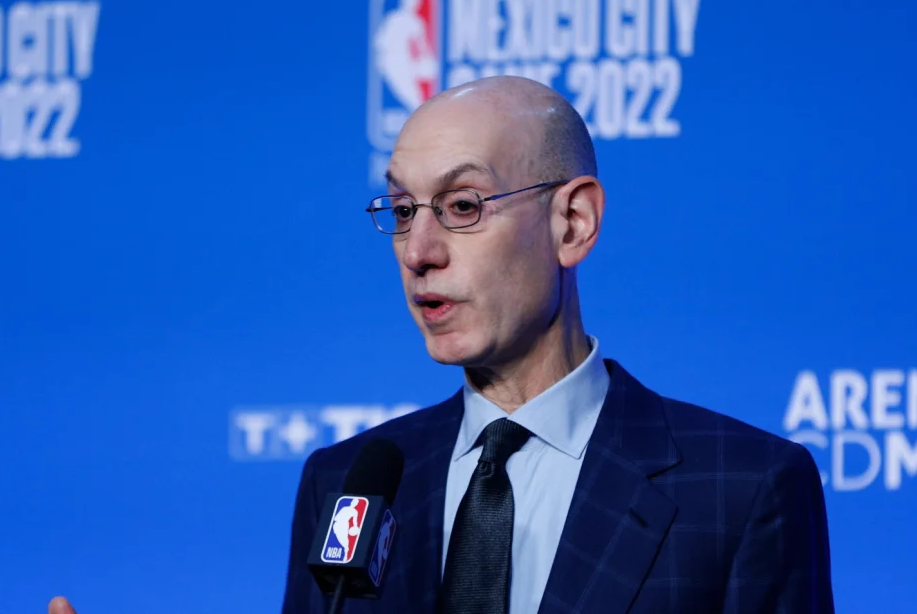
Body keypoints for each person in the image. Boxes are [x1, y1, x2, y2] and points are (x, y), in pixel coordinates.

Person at [278, 76, 835, 614]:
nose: (417, 252)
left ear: (573, 222)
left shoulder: (742, 489)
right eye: (403, 211)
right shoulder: (346, 483)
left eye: (463, 206)